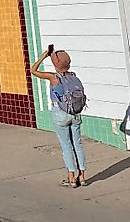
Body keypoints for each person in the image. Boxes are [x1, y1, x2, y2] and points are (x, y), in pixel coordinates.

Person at [30, 47, 87, 187]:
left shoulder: (53, 77)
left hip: (60, 113)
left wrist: (44, 55)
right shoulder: (73, 76)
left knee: (66, 146)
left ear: (55, 64)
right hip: (75, 113)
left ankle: (71, 178)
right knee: (78, 145)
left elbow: (33, 70)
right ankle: (83, 177)